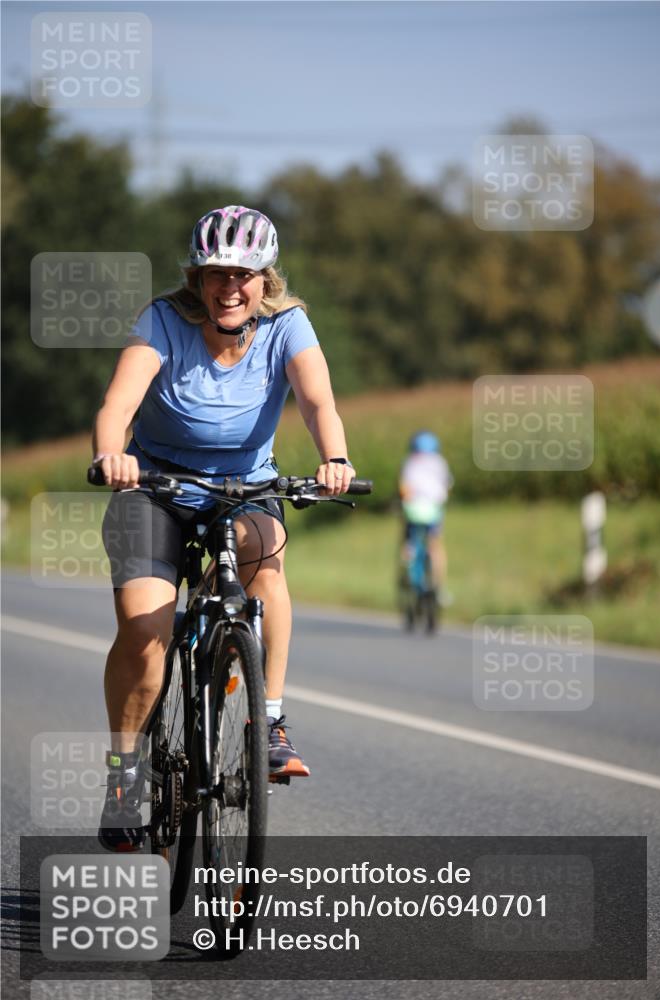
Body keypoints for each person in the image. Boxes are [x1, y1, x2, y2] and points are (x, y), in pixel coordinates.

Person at [93, 205, 356, 850]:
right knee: (144, 630)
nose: (230, 287)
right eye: (216, 274)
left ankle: (267, 719)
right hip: (152, 486)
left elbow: (318, 400)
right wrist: (112, 454)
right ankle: (126, 775)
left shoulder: (287, 326)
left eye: (244, 275)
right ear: (197, 279)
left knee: (267, 560)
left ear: (265, 280)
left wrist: (335, 458)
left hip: (243, 489)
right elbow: (116, 406)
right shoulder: (162, 321)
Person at [399, 431, 453, 604]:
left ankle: (407, 567)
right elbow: (446, 487)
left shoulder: (409, 462)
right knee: (435, 546)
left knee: (409, 542)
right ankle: (438, 586)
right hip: (433, 511)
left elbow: (404, 489)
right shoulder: (440, 463)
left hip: (413, 511)